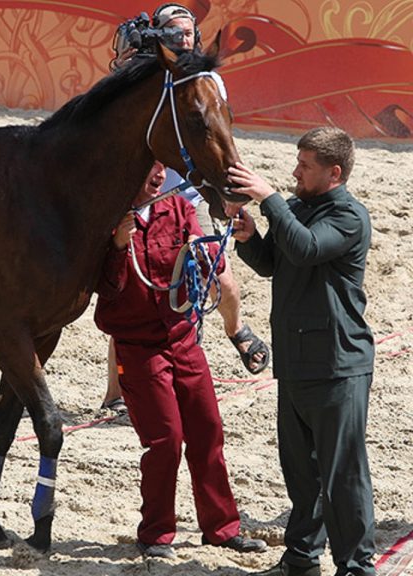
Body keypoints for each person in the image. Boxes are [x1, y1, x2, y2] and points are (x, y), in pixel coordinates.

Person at [102, 2, 269, 412]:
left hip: (190, 196)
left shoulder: (207, 82)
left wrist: (226, 189)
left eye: (187, 30)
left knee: (222, 282)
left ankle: (236, 329)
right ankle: (115, 393)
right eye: (173, 33)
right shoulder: (147, 82)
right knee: (137, 301)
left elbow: (219, 139)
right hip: (148, 200)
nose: (184, 38)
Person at [95, 159, 267, 559]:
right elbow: (103, 291)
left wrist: (209, 256)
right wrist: (118, 246)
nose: (158, 176)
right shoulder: (104, 216)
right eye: (148, 169)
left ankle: (222, 529)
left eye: (160, 169)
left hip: (183, 339)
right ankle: (155, 533)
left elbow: (207, 261)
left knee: (208, 431)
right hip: (138, 346)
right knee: (165, 440)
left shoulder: (178, 208)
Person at [229, 126, 376, 576]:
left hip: (337, 364)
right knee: (300, 472)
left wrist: (269, 198)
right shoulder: (297, 208)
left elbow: (308, 248)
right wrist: (250, 236)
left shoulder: (349, 216)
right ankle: (300, 559)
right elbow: (275, 262)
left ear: (334, 172)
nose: (295, 172)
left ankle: (356, 567)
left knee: (342, 476)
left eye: (304, 166)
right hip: (294, 363)